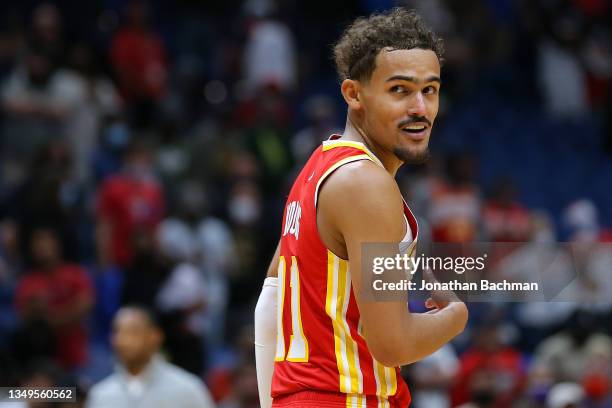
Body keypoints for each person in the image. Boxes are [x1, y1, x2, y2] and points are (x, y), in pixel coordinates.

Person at [254, 8, 468, 408]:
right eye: (400, 90)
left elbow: (269, 302)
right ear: (354, 94)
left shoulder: (318, 168)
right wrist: (455, 316)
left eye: (431, 90)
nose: (420, 108)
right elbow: (392, 343)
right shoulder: (366, 185)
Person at [86, 306, 215, 408]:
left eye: (133, 332)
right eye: (117, 332)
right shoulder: (100, 395)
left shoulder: (188, 389)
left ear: (155, 336)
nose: (122, 340)